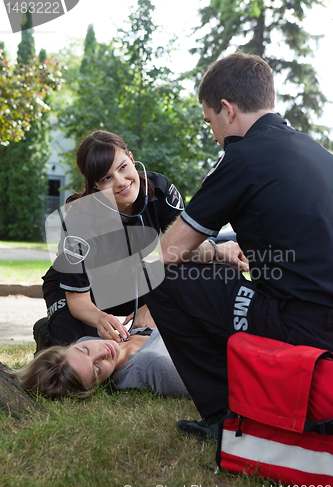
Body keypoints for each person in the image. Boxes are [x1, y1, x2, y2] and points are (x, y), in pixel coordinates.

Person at [143, 51, 333, 440]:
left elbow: (167, 254)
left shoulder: (242, 157)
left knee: (159, 279)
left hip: (302, 327)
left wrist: (213, 253)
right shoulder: (318, 152)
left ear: (227, 110)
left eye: (209, 120)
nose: (213, 133)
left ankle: (225, 415)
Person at [34, 130, 186, 350]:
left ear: (132, 159)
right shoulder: (79, 219)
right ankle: (48, 330)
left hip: (126, 276)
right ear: (95, 184)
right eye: (107, 178)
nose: (121, 182)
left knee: (192, 289)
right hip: (78, 289)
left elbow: (184, 249)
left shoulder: (159, 190)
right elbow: (78, 299)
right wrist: (99, 318)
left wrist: (155, 303)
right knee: (81, 351)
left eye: (123, 167)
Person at [11, 328, 190, 399]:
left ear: (73, 344)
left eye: (85, 350)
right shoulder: (152, 364)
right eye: (97, 369)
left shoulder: (87, 338)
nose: (103, 352)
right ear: (94, 388)